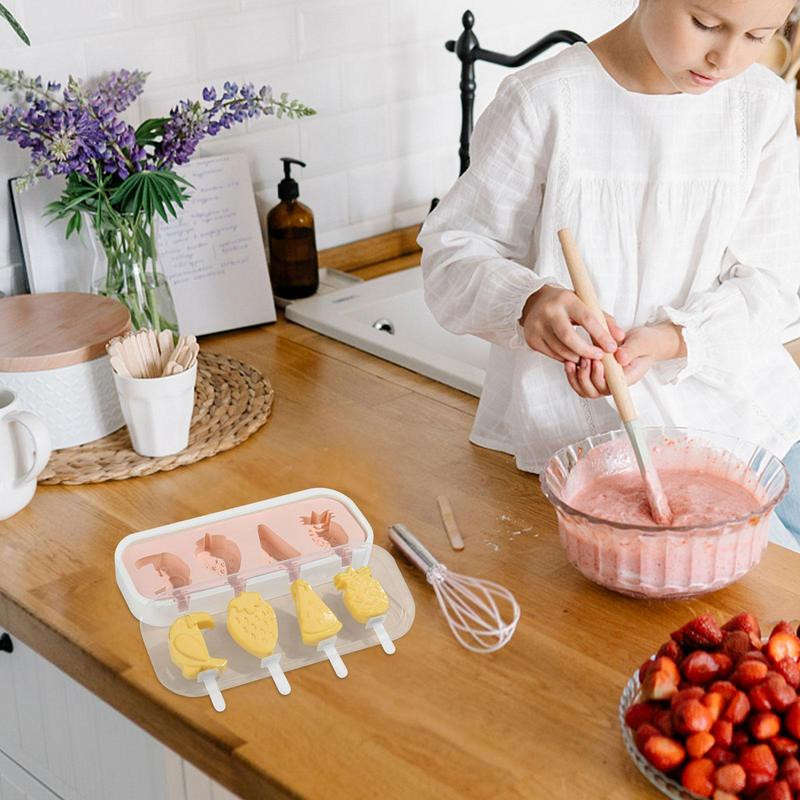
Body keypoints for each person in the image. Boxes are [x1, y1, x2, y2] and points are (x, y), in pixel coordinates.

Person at [418, 0, 800, 548]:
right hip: (583, 443)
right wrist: (530, 303)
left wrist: (674, 338)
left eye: (757, 36)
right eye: (706, 25)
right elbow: (452, 256)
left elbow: (774, 282)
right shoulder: (546, 102)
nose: (726, 57)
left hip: (750, 428)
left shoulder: (759, 105)